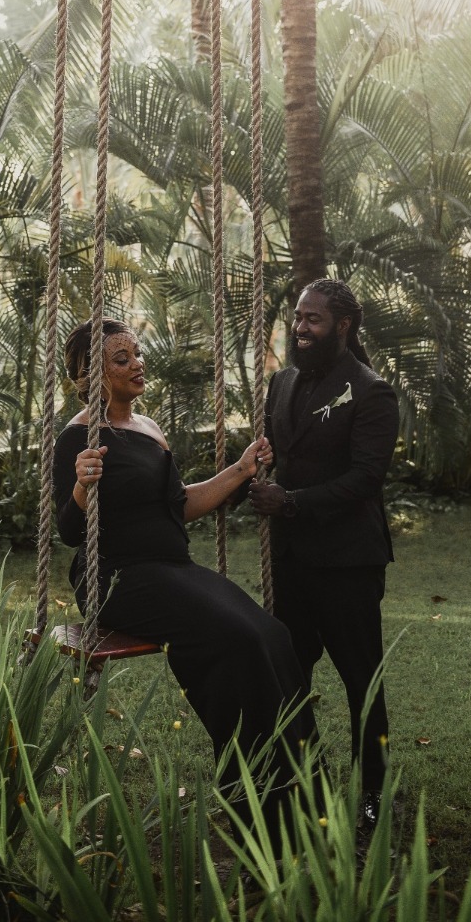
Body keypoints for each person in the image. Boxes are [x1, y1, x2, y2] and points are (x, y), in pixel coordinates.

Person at [52, 317, 318, 848]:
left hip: (171, 570)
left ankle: (299, 790)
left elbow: (180, 505)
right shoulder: (77, 438)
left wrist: (242, 470)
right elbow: (67, 531)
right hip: (118, 578)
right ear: (90, 375)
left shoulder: (149, 429)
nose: (137, 364)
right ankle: (252, 792)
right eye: (121, 359)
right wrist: (82, 487)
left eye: (137, 354)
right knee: (236, 639)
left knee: (272, 634)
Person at [249, 279, 399, 829]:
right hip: (292, 564)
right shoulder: (280, 382)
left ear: (344, 326)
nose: (301, 327)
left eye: (313, 319)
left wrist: (288, 502)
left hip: (348, 564)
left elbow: (365, 479)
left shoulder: (371, 390)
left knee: (362, 680)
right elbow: (277, 452)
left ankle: (373, 793)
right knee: (291, 677)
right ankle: (301, 782)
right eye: (297, 318)